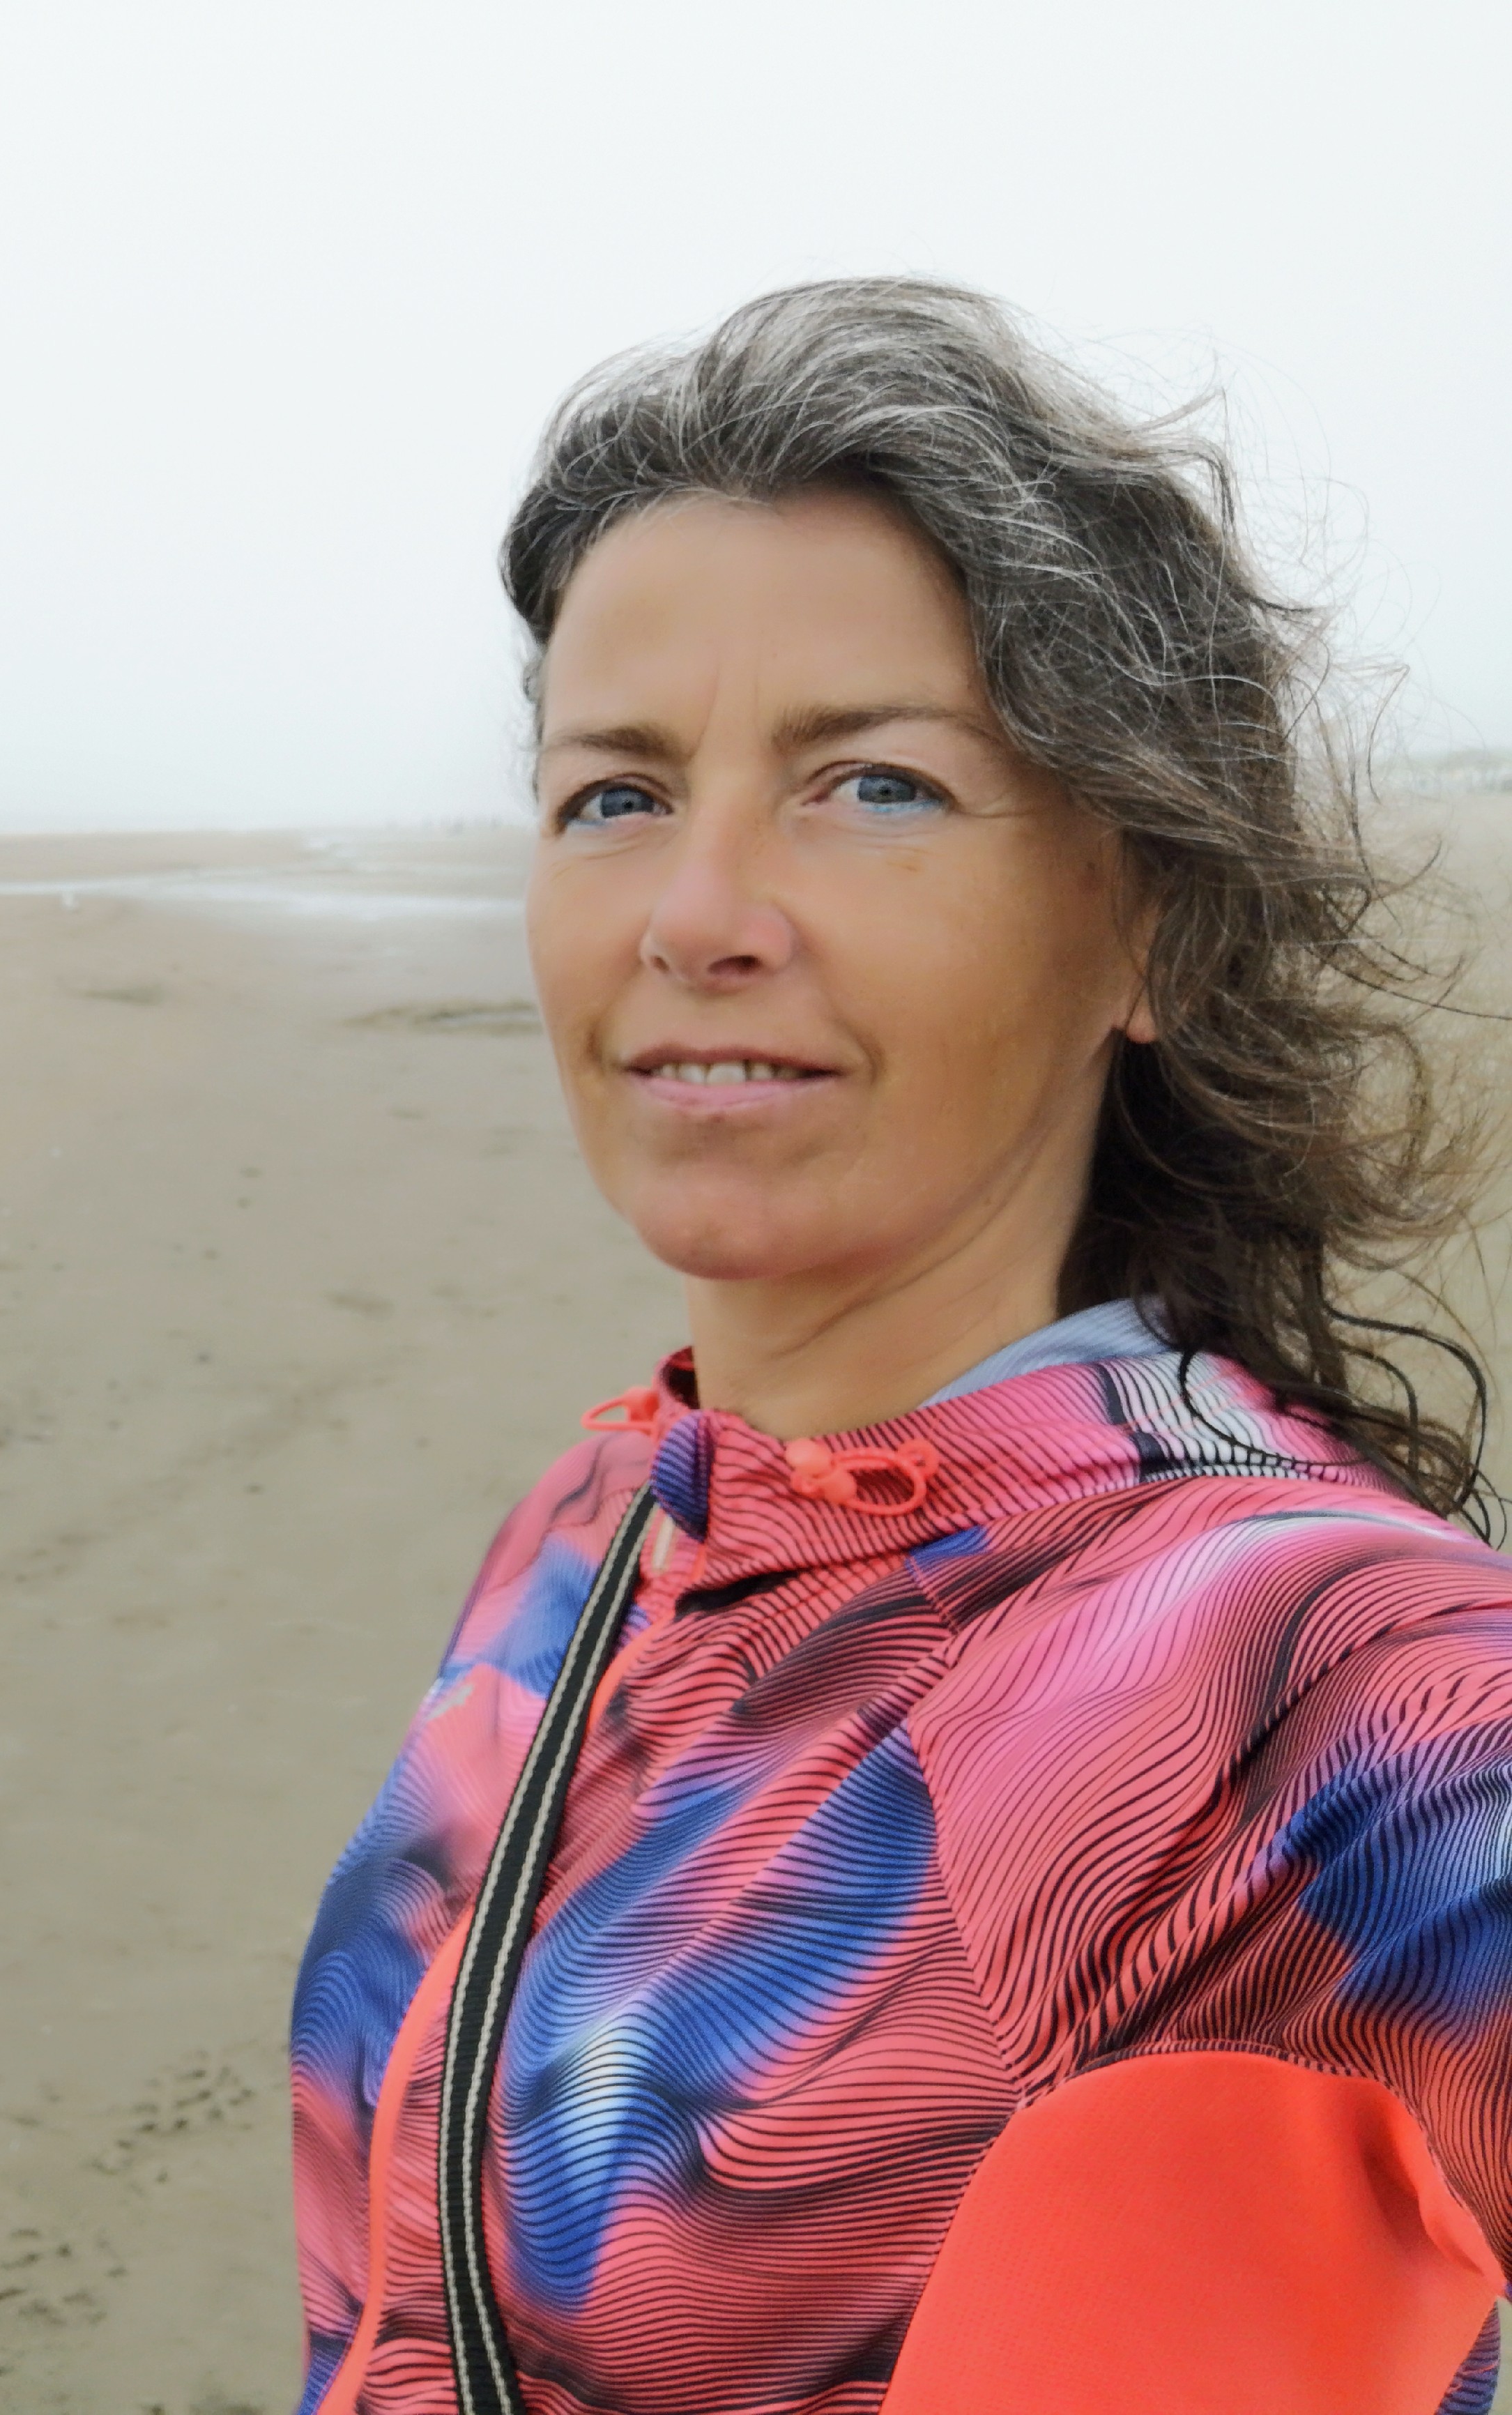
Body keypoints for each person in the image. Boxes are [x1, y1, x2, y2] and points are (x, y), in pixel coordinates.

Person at [291, 280, 1512, 2415]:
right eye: (615, 795)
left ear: (1147, 918)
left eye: (869, 785)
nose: (700, 911)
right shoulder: (592, 1526)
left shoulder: (1331, 1689)